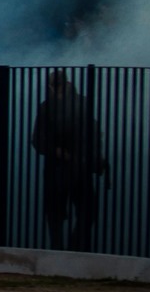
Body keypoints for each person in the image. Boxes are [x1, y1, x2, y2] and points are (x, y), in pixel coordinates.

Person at [30, 69, 108, 252]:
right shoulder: (50, 107)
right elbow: (38, 140)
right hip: (63, 167)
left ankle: (72, 247)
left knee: (81, 212)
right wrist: (57, 151)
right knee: (60, 213)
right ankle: (65, 248)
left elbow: (91, 133)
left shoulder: (72, 104)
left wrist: (93, 156)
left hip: (74, 166)